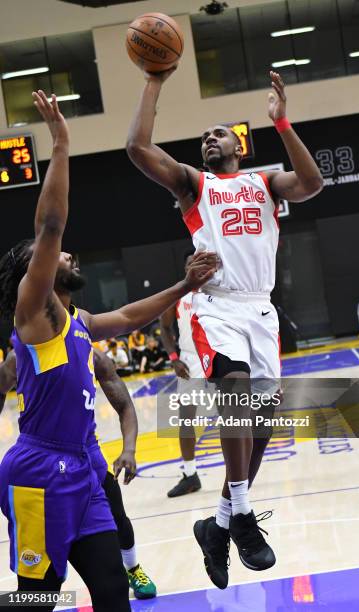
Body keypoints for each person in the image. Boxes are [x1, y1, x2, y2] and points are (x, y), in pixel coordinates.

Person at [0, 90, 215, 611]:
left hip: (83, 468)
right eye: (54, 254)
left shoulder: (77, 323)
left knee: (113, 592)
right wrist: (60, 143)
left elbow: (130, 316)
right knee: (38, 599)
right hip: (37, 473)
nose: (67, 251)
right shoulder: (34, 314)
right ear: (40, 270)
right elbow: (51, 226)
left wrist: (183, 286)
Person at [127, 69, 323, 589]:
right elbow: (137, 147)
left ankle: (215, 527)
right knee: (232, 387)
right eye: (202, 139)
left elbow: (311, 184)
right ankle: (239, 515)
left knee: (261, 425)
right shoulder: (196, 184)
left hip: (261, 309)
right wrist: (154, 81)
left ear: (238, 143)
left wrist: (282, 123)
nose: (207, 141)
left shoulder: (263, 183)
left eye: (216, 134)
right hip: (214, 304)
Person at [0, 347, 156, 600]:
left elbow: (125, 404)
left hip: (87, 453)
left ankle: (133, 568)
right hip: (43, 461)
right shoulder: (20, 357)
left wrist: (129, 449)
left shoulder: (88, 351)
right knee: (40, 593)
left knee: (118, 519)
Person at [160, 252, 204, 498]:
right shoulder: (178, 295)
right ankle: (190, 474)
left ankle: (239, 472)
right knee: (186, 421)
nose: (194, 266)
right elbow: (164, 327)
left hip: (218, 356)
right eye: (190, 263)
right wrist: (174, 358)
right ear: (186, 268)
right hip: (190, 360)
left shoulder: (218, 291)